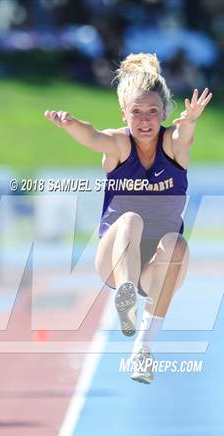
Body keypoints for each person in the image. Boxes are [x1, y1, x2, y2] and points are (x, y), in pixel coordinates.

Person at [45, 53, 212, 383]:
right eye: (136, 112)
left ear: (165, 113)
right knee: (131, 219)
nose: (145, 119)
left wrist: (190, 120)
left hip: (155, 270)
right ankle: (125, 296)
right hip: (116, 259)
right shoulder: (120, 145)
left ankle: (143, 349)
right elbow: (93, 137)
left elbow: (184, 138)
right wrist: (70, 124)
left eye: (153, 111)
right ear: (125, 114)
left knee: (176, 244)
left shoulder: (172, 145)